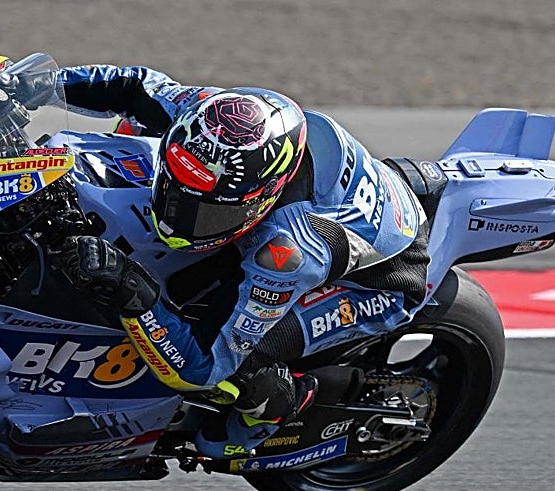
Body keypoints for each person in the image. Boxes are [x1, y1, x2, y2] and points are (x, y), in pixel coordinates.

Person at [47, 64, 433, 456]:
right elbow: (135, 85)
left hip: (380, 282)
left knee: (234, 371)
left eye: (209, 212)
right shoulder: (214, 121)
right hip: (329, 207)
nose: (179, 219)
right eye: (176, 192)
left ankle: (276, 407)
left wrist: (129, 286)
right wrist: (31, 84)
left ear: (262, 198)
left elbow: (201, 367)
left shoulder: (287, 251)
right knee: (132, 133)